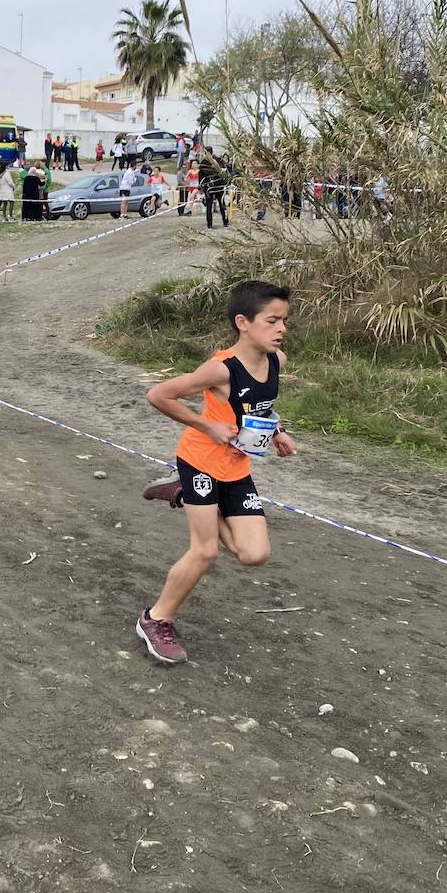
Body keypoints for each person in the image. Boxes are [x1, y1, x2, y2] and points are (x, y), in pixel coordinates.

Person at [136, 281, 297, 665]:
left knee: (253, 554)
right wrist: (206, 427)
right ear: (243, 322)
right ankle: (156, 619)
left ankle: (182, 494)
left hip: (237, 466)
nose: (281, 329)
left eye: (284, 321)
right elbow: (159, 394)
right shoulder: (221, 369)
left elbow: (255, 408)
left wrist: (277, 431)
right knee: (205, 550)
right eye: (272, 321)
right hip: (201, 461)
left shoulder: (278, 361)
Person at [201, 151, 229, 228]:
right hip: (209, 188)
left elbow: (224, 171)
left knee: (222, 204)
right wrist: (202, 188)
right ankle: (209, 224)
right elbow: (201, 175)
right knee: (209, 206)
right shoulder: (204, 163)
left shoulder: (218, 160)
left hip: (219, 187)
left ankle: (225, 221)